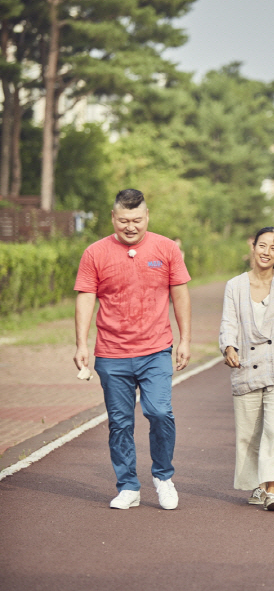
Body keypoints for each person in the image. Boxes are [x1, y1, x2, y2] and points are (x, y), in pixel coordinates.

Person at [73, 189, 191, 510]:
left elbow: (180, 294)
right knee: (120, 422)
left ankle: (163, 478)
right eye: (124, 220)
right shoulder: (95, 253)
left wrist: (185, 340)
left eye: (137, 220)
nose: (130, 226)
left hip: (155, 351)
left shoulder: (166, 248)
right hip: (111, 353)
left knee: (159, 412)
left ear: (147, 217)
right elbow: (85, 297)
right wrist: (82, 343)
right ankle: (128, 486)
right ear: (113, 218)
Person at [219, 227, 274, 511]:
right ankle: (257, 485)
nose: (267, 252)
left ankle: (272, 489)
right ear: (252, 245)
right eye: (263, 245)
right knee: (249, 433)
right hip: (246, 367)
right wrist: (228, 347)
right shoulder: (235, 285)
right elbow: (229, 322)